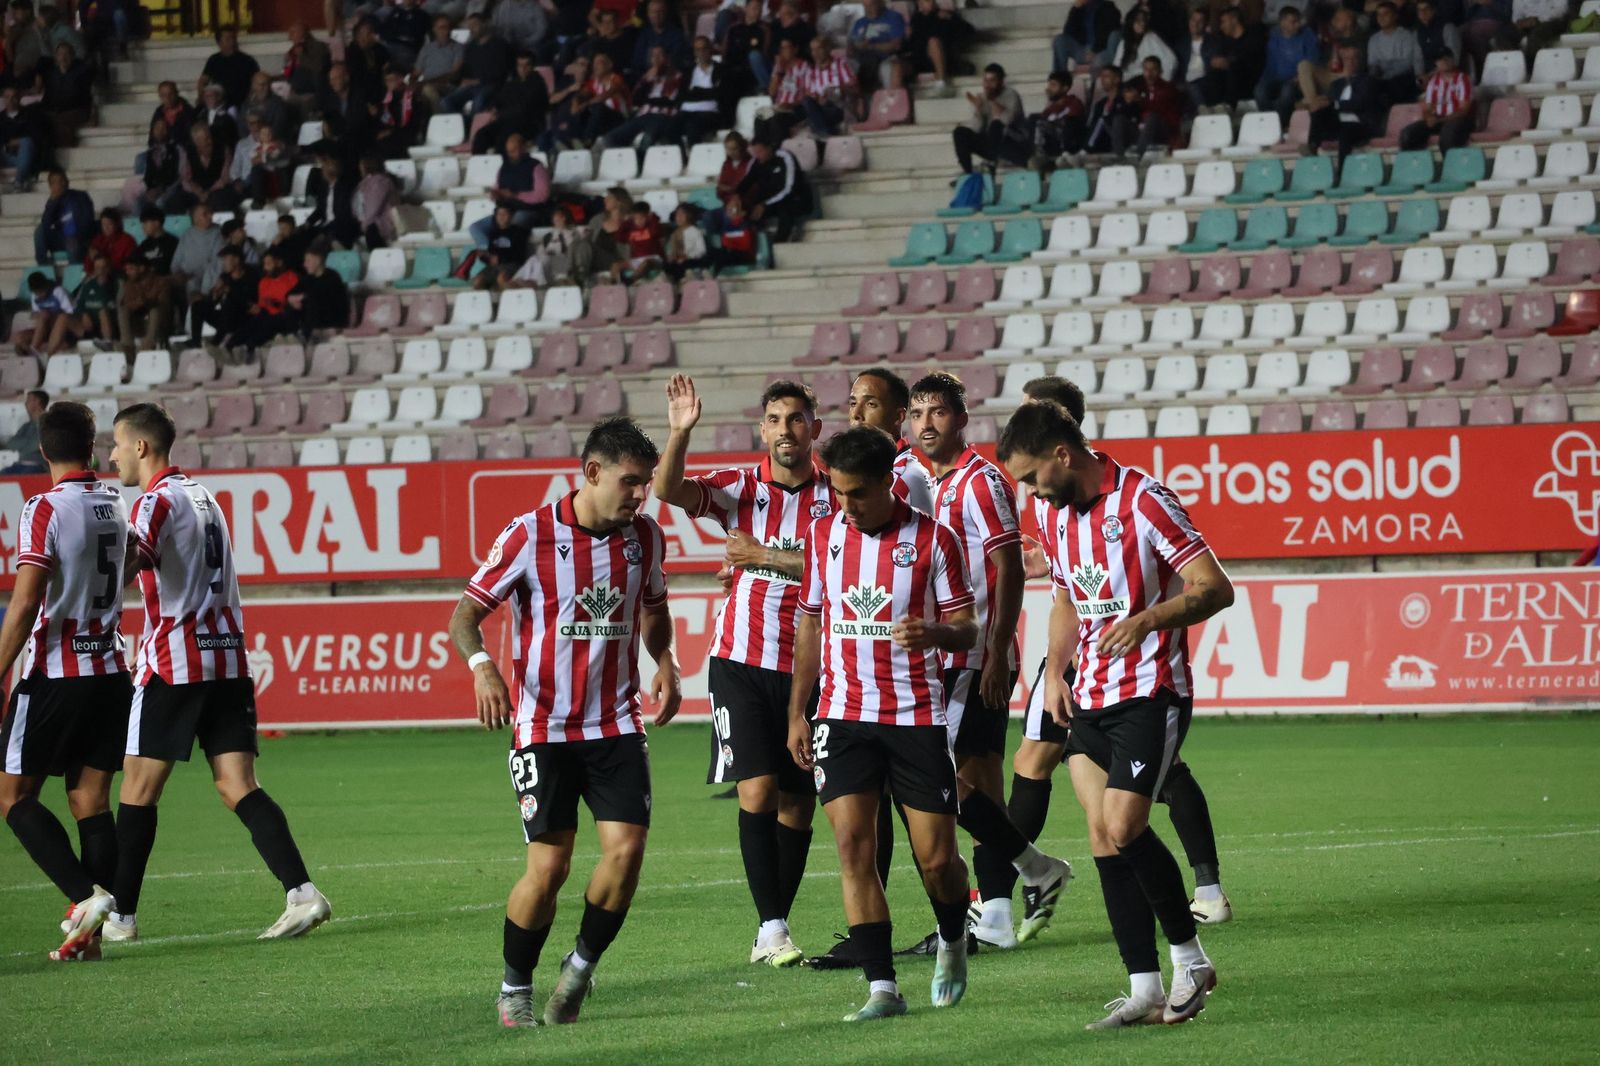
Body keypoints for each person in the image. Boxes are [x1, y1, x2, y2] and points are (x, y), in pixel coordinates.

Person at [997, 399, 1232, 1030]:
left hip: (1152, 691)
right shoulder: (1052, 513)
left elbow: (1214, 587)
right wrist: (1053, 676)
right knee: (1103, 836)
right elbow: (1068, 599)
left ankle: (1192, 958)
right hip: (1089, 697)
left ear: (1062, 456)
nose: (1028, 491)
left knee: (1127, 827)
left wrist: (1148, 619)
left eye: (1030, 477)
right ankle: (1145, 989)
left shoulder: (1146, 499)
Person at [448, 416, 681, 1030]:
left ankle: (578, 970)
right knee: (548, 868)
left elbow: (654, 608)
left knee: (625, 854)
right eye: (630, 482)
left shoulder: (646, 539)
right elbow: (464, 617)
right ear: (592, 472)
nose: (640, 495)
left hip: (616, 723)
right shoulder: (529, 534)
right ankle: (515, 987)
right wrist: (482, 668)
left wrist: (666, 661)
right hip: (544, 727)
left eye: (647, 483)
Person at [103, 403, 331, 951]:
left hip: (176, 665)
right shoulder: (205, 498)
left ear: (141, 447)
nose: (109, 455)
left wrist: (95, 569)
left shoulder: (154, 501)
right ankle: (302, 893)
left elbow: (134, 558)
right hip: (227, 658)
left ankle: (123, 916)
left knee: (136, 790)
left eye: (115, 444)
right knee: (238, 785)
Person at [786, 424, 977, 1021]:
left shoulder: (933, 541)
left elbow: (968, 627)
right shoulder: (822, 537)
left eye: (858, 494)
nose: (846, 505)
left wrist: (937, 632)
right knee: (852, 847)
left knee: (937, 860)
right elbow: (812, 624)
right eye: (838, 493)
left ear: (888, 485)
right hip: (842, 717)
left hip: (916, 717)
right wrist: (799, 709)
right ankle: (882, 988)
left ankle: (951, 937)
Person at [653, 375, 829, 968]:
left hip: (811, 665)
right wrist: (680, 433)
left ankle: (773, 926)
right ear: (763, 429)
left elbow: (846, 563)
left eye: (797, 419)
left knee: (798, 805)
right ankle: (773, 926)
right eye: (776, 420)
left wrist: (762, 557)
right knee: (757, 789)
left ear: (815, 428)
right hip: (742, 661)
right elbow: (668, 487)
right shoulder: (741, 487)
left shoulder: (838, 495)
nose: (786, 430)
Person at [898, 374, 1071, 954]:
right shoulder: (920, 480)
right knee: (981, 784)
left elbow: (1009, 567)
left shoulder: (982, 481)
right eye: (917, 412)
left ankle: (1035, 868)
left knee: (934, 776)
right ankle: (994, 917)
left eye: (938, 412)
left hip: (972, 654)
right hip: (943, 651)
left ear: (962, 418)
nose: (926, 423)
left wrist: (997, 650)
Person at [0, 401, 132, 961]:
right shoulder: (117, 503)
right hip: (110, 671)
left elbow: (28, 598)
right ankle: (90, 941)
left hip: (56, 674)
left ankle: (84, 899)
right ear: (94, 445)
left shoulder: (44, 507)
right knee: (91, 802)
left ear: (43, 451)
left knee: (12, 796)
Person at [1306, 42, 1384, 161]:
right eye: (1347, 59)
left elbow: (1358, 103)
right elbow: (1329, 103)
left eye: (1354, 58)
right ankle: (1312, 146)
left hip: (1360, 125)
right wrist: (1319, 104)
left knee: (1346, 131)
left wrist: (1334, 104)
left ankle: (1342, 172)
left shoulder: (1368, 81)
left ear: (1360, 61)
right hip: (1339, 124)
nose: (1350, 62)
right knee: (1319, 111)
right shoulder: (1336, 85)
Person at [952, 63, 1028, 174]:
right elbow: (977, 129)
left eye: (992, 81)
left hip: (1012, 143)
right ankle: (967, 172)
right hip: (992, 146)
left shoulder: (1011, 95)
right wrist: (978, 110)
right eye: (985, 81)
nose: (987, 85)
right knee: (959, 133)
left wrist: (992, 101)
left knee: (996, 125)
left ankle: (990, 164)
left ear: (1001, 82)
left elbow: (1008, 122)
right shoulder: (982, 97)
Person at [605, 45, 682, 149]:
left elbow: (669, 99)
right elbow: (635, 100)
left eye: (660, 55)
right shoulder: (647, 76)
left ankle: (641, 163)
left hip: (662, 116)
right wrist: (647, 81)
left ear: (667, 58)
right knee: (611, 138)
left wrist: (648, 101)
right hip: (643, 116)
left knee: (647, 140)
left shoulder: (676, 75)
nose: (656, 59)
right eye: (653, 56)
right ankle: (630, 161)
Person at [474, 51, 551, 154]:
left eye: (526, 65)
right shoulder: (513, 83)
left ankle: (504, 168)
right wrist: (494, 109)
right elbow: (499, 99)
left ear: (532, 66)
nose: (522, 69)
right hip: (507, 121)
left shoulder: (538, 85)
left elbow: (523, 109)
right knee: (481, 135)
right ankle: (479, 166)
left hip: (528, 124)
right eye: (520, 65)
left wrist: (500, 115)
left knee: (504, 138)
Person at [739, 137, 812, 243]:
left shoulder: (784, 157)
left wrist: (765, 204)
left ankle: (779, 244)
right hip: (771, 202)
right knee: (748, 211)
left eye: (760, 151)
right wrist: (736, 197)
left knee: (785, 210)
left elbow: (789, 189)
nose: (757, 155)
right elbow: (746, 183)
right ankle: (754, 246)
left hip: (795, 199)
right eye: (755, 152)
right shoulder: (755, 162)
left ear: (769, 148)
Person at [442, 12, 513, 117]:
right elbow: (465, 70)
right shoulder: (470, 48)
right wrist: (460, 79)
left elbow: (500, 72)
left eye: (474, 25)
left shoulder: (499, 45)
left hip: (492, 85)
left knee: (478, 102)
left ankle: (474, 129)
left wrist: (477, 81)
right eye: (469, 26)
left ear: (484, 24)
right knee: (446, 102)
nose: (471, 29)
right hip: (472, 86)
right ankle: (462, 126)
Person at [1255, 6, 1318, 125]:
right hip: (1275, 78)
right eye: (1293, 22)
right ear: (1282, 22)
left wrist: (1299, 78)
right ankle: (1270, 124)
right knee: (1259, 91)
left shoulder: (1307, 35)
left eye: (1298, 21)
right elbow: (1270, 62)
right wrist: (1264, 80)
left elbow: (1313, 60)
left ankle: (1283, 124)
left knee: (1286, 92)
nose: (1297, 25)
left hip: (1296, 79)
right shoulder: (1274, 37)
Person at [1400, 48, 1472, 150]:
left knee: (1448, 136)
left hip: (1457, 121)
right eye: (1440, 60)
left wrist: (1439, 120)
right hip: (1438, 120)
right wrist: (1429, 117)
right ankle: (1415, 164)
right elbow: (1427, 108)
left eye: (1447, 58)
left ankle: (1449, 165)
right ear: (1436, 63)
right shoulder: (1433, 82)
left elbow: (1463, 111)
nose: (1444, 62)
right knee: (1407, 134)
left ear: (1453, 59)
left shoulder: (1463, 79)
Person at [170, 202, 225, 333]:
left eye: (210, 213)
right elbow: (176, 263)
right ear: (194, 218)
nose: (210, 216)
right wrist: (179, 276)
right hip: (189, 281)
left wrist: (203, 291)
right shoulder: (187, 235)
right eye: (205, 214)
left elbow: (217, 265)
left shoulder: (219, 233)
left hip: (211, 284)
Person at [198, 244, 258, 360]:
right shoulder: (225, 276)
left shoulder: (252, 274)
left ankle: (216, 342)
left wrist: (230, 291)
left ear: (236, 260)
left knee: (230, 304)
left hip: (246, 317)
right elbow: (214, 302)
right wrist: (215, 294)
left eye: (226, 259)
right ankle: (196, 342)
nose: (224, 263)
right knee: (198, 306)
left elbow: (249, 301)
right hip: (227, 319)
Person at [666, 35, 726, 150]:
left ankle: (696, 157)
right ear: (694, 52)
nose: (701, 52)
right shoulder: (688, 71)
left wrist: (695, 92)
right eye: (698, 49)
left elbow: (720, 94)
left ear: (710, 49)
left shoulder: (720, 70)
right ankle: (682, 157)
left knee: (692, 127)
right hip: (686, 110)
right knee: (670, 128)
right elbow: (682, 94)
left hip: (709, 112)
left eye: (704, 48)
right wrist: (706, 92)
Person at [286, 240, 350, 339]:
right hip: (315, 320)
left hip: (332, 320)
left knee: (312, 302)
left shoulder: (332, 277)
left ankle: (305, 335)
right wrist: (291, 299)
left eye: (308, 261)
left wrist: (301, 297)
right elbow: (291, 293)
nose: (305, 265)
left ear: (318, 260)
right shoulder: (309, 278)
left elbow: (320, 295)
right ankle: (294, 334)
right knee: (290, 308)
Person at [798, 36, 857, 138]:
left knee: (815, 116)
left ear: (827, 49)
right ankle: (828, 132)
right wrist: (817, 98)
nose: (815, 53)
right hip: (820, 109)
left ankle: (823, 133)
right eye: (813, 50)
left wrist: (835, 90)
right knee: (807, 102)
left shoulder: (840, 64)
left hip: (838, 107)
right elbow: (807, 94)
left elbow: (855, 89)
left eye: (819, 49)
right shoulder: (811, 71)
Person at [1367, 1, 1424, 106]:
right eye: (1379, 14)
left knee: (1395, 86)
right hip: (1381, 79)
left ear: (1395, 16)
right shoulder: (1373, 39)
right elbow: (1373, 64)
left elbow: (1406, 64)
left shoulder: (1406, 35)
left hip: (1402, 79)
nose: (1381, 17)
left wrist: (1385, 70)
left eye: (1386, 14)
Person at [38, 42, 94, 148]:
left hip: (75, 111)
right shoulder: (51, 74)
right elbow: (48, 97)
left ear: (72, 56)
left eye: (66, 54)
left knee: (62, 124)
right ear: (56, 57)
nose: (63, 57)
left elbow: (85, 98)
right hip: (55, 111)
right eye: (60, 54)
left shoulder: (82, 72)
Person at [115, 253, 172, 355]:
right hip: (139, 321)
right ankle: (127, 346)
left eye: (131, 269)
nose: (127, 272)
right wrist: (144, 300)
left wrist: (143, 301)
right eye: (126, 270)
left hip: (159, 323)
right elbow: (129, 303)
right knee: (123, 310)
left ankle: (148, 345)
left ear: (141, 268)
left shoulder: (160, 282)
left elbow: (163, 303)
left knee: (155, 310)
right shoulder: (128, 284)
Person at [34, 169, 95, 265]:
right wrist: (52, 203)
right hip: (59, 239)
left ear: (67, 181)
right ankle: (43, 265)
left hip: (78, 237)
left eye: (62, 180)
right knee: (40, 230)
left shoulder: (81, 196)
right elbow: (46, 224)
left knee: (71, 238)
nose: (60, 184)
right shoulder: (52, 202)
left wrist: (73, 233)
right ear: (50, 186)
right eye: (55, 182)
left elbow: (88, 220)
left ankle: (74, 270)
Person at [1208, 5, 1265, 108]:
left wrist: (1229, 62)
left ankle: (1229, 107)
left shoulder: (1253, 35)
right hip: (1230, 78)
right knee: (1214, 73)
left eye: (1223, 22)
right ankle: (1214, 108)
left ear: (1234, 19)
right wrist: (1216, 62)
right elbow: (1220, 58)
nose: (1221, 26)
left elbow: (1250, 58)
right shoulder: (1224, 40)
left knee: (1234, 69)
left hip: (1251, 78)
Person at [907, 0, 965, 97]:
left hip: (945, 57)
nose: (931, 2)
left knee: (933, 42)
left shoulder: (947, 14)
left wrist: (951, 18)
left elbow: (968, 31)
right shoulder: (916, 19)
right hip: (921, 59)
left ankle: (941, 83)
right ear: (919, 3)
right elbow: (913, 44)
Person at [849, 0, 908, 93]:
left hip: (888, 57)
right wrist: (857, 46)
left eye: (872, 5)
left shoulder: (894, 17)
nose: (869, 9)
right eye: (866, 6)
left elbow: (896, 45)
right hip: (863, 59)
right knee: (848, 69)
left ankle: (890, 101)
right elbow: (852, 47)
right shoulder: (859, 23)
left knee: (886, 68)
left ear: (880, 3)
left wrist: (871, 46)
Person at [1131, 55, 1183, 157]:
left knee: (1152, 117)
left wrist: (1140, 101)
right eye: (1146, 69)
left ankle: (1138, 157)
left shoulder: (1169, 88)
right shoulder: (1140, 88)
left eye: (1153, 69)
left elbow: (1159, 110)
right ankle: (1120, 159)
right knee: (1119, 120)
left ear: (1160, 71)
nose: (1149, 74)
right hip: (1141, 129)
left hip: (1163, 130)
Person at [177, 122, 234, 214]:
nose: (210, 141)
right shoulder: (188, 153)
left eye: (210, 137)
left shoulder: (223, 150)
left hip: (217, 190)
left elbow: (225, 177)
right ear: (196, 142)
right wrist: (198, 192)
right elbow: (185, 178)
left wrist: (208, 192)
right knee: (177, 200)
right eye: (206, 139)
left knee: (222, 198)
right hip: (196, 192)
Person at [199, 25, 260, 110]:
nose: (232, 42)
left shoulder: (247, 60)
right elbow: (203, 81)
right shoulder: (214, 60)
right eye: (228, 39)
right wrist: (202, 96)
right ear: (219, 42)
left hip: (242, 105)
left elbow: (257, 81)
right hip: (219, 105)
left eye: (233, 38)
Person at [473, 203, 532, 288]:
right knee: (478, 280)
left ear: (511, 216)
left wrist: (500, 259)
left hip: (512, 265)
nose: (501, 217)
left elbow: (519, 255)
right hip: (494, 267)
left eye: (504, 214)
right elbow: (490, 255)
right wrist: (483, 256)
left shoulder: (519, 232)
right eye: (499, 214)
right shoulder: (493, 233)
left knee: (502, 278)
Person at [1054, 0, 1122, 73]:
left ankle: (1094, 83)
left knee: (1098, 61)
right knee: (1059, 40)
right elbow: (1068, 32)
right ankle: (1060, 77)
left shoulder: (1108, 7)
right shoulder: (1080, 9)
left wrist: (1095, 50)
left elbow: (1109, 31)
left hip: (1102, 50)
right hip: (1082, 49)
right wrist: (1076, 9)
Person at [1112, 8, 1177, 83]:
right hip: (1126, 84)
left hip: (1145, 82)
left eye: (1144, 20)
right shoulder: (1124, 42)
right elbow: (1116, 66)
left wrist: (1162, 81)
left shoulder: (1151, 37)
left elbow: (1171, 60)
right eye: (1138, 21)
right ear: (1131, 22)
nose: (1142, 23)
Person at [413, 14, 465, 109]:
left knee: (427, 90)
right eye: (442, 28)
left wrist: (427, 82)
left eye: (448, 28)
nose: (446, 31)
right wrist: (409, 82)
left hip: (446, 85)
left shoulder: (458, 47)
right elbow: (417, 72)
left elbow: (454, 74)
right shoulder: (427, 48)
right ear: (434, 29)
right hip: (425, 83)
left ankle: (437, 117)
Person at [1030, 69, 1083, 162]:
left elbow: (1069, 123)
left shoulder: (1074, 103)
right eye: (1049, 85)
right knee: (1033, 119)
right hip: (1052, 144)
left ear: (1065, 88)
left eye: (1053, 85)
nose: (1048, 89)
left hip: (1070, 144)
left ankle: (1046, 156)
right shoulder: (1050, 108)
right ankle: (1036, 156)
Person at [0, 83, 43, 192]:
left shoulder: (28, 115)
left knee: (26, 142)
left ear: (19, 98)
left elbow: (34, 136)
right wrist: (9, 143)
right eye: (7, 97)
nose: (11, 100)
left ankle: (19, 181)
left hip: (25, 154)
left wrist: (17, 142)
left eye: (14, 97)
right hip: (5, 156)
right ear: (3, 99)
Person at [282, 21, 332, 113]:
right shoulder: (293, 51)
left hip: (314, 91)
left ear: (302, 33)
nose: (289, 38)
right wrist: (288, 62)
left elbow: (319, 68)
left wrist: (301, 58)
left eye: (292, 33)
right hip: (295, 91)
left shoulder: (319, 47)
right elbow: (287, 73)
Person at [631, 0, 690, 75]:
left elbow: (680, 58)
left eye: (660, 12)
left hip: (670, 76)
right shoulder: (643, 34)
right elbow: (637, 60)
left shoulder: (677, 34)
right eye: (653, 12)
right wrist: (651, 57)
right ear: (648, 14)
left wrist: (662, 59)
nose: (657, 15)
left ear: (666, 13)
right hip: (646, 77)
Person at [1176, 8, 1219, 111]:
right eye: (1193, 20)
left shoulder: (1213, 42)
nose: (1195, 23)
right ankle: (1202, 110)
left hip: (1205, 81)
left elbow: (1215, 67)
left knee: (1193, 87)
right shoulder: (1181, 44)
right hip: (1186, 82)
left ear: (1206, 24)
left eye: (1200, 21)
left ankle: (1203, 111)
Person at [1, 389, 48, 474]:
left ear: (37, 402)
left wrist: (22, 444)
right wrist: (28, 442)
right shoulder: (26, 426)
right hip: (20, 465)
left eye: (28, 400)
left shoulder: (47, 423)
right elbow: (11, 443)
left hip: (38, 465)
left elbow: (36, 445)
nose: (25, 404)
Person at [662, 203, 710, 281]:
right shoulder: (674, 234)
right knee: (667, 265)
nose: (679, 217)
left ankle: (685, 283)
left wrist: (687, 256)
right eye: (677, 214)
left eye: (682, 214)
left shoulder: (694, 231)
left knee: (683, 264)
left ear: (689, 216)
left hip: (692, 259)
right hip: (679, 260)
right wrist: (671, 257)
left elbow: (702, 250)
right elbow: (672, 251)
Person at [379, 0, 430, 69]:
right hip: (390, 44)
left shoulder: (422, 15)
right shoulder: (396, 11)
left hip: (407, 47)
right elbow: (385, 28)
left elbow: (417, 35)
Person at [90, 207, 135, 273]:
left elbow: (130, 266)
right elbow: (88, 266)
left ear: (117, 224)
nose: (106, 227)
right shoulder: (98, 240)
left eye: (109, 224)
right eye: (103, 224)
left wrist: (106, 263)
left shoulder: (127, 241)